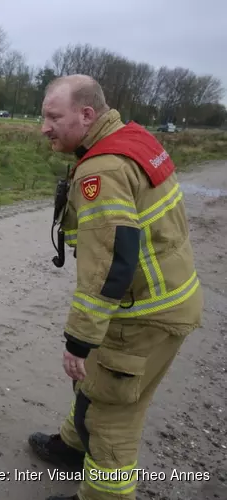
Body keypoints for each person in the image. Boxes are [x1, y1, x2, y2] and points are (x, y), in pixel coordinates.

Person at [31, 75, 203, 500]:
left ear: (86, 114)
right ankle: (73, 447)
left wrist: (78, 339)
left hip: (143, 314)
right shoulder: (132, 138)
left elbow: (110, 265)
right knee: (98, 385)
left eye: (53, 116)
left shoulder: (102, 169)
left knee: (113, 413)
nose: (44, 127)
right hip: (170, 299)